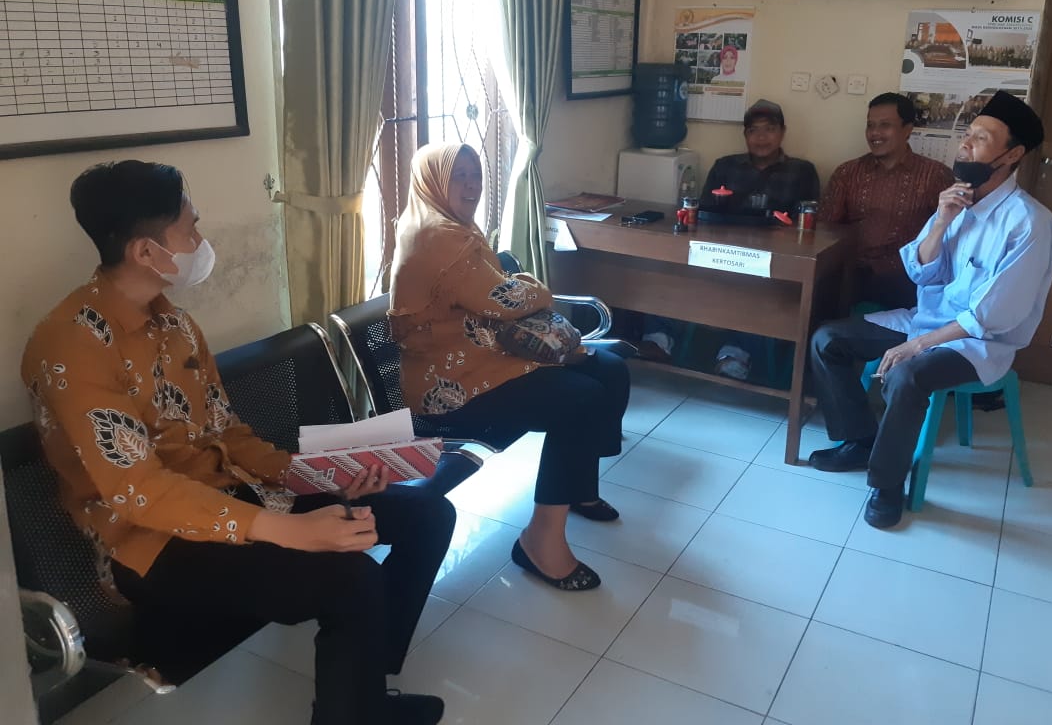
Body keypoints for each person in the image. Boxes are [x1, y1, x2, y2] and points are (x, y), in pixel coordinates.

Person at [21, 161, 453, 725]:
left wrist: (319, 474)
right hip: (150, 543)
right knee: (351, 578)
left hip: (235, 494)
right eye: (190, 229)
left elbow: (226, 432)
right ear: (146, 251)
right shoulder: (72, 346)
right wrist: (289, 529)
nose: (201, 242)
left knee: (426, 515)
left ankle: (365, 689)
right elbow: (138, 490)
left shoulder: (174, 325)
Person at [806, 91, 1052, 529]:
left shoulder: (1030, 222)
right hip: (924, 321)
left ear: (1012, 155)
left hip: (977, 343)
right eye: (968, 134)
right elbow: (920, 271)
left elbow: (992, 316)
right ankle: (860, 441)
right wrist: (941, 221)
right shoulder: (957, 201)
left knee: (908, 375)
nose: (965, 145)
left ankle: (887, 485)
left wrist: (918, 346)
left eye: (981, 138)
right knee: (828, 339)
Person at [388, 143, 629, 592]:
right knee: (581, 399)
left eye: (475, 174)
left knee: (609, 370)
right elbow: (507, 299)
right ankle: (540, 541)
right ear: (433, 181)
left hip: (483, 362)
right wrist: (535, 286)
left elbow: (496, 295)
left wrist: (516, 289)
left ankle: (577, 488)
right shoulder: (438, 236)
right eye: (458, 175)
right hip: (450, 391)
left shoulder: (451, 226)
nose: (471, 185)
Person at [639, 98, 819, 381]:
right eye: (753, 130)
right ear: (745, 135)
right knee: (669, 271)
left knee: (762, 290)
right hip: (720, 252)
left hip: (770, 261)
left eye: (769, 129)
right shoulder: (726, 166)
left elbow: (807, 225)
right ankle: (658, 340)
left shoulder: (802, 171)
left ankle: (735, 355)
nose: (761, 137)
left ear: (782, 132)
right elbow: (704, 213)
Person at [819, 92, 955, 310]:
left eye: (885, 125)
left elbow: (950, 235)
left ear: (907, 129)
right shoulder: (848, 173)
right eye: (870, 125)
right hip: (851, 277)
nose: (875, 133)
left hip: (906, 280)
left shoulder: (934, 176)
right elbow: (826, 229)